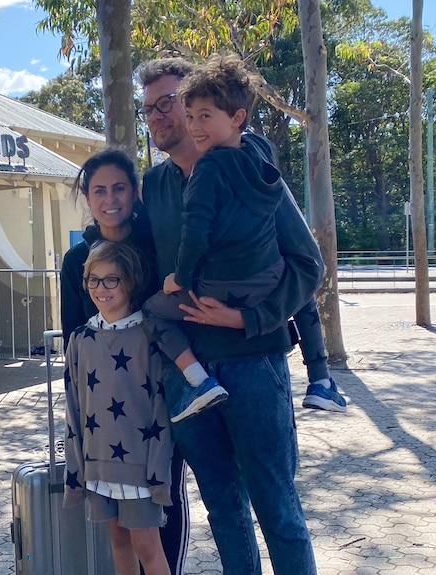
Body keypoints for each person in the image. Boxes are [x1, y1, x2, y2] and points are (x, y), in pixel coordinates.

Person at [137, 55, 324, 574]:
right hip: (186, 374)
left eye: (170, 103)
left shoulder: (252, 170)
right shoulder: (154, 187)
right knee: (224, 511)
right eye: (149, 108)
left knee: (278, 510)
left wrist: (248, 320)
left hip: (253, 365)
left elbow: (308, 265)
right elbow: (142, 266)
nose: (161, 116)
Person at [60, 148, 190, 574]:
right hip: (105, 412)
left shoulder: (157, 241)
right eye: (99, 190)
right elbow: (73, 336)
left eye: (119, 187)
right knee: (118, 537)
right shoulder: (76, 260)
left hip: (154, 398)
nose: (110, 198)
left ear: (135, 192)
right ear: (87, 196)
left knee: (158, 517)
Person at [63, 240, 173, 575]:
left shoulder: (149, 336)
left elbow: (160, 409)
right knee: (118, 543)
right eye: (93, 280)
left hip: (139, 468)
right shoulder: (80, 339)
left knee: (148, 548)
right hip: (97, 467)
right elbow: (73, 407)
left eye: (111, 279)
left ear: (130, 281)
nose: (101, 288)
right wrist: (76, 467)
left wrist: (157, 473)